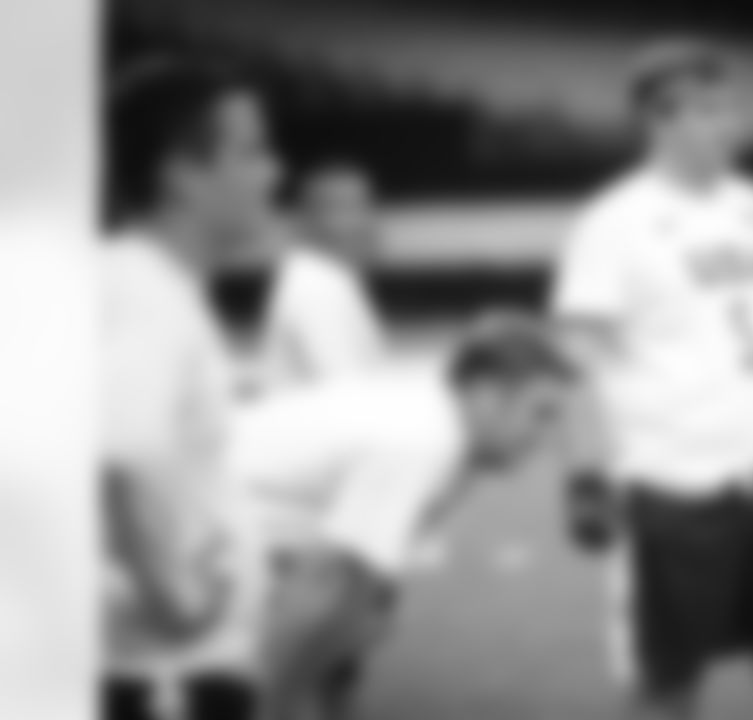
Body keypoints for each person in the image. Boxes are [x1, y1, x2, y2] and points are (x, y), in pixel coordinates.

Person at [552, 39, 753, 720]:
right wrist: (583, 475)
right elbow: (575, 356)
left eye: (732, 107)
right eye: (710, 110)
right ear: (658, 121)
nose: (731, 124)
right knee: (669, 683)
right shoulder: (615, 222)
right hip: (670, 487)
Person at [230, 314, 576, 720]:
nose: (548, 438)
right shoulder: (424, 439)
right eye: (541, 413)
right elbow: (322, 589)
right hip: (209, 524)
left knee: (366, 609)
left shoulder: (445, 416)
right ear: (486, 395)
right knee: (342, 598)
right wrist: (278, 706)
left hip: (242, 510)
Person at [101, 57, 281, 720]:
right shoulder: (141, 293)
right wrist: (172, 599)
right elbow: (111, 457)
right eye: (252, 152)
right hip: (159, 676)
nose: (274, 172)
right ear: (181, 173)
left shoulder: (151, 286)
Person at [254, 161, 384, 393]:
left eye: (364, 205)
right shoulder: (316, 287)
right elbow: (345, 391)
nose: (361, 221)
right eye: (342, 208)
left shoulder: (328, 279)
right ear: (305, 221)